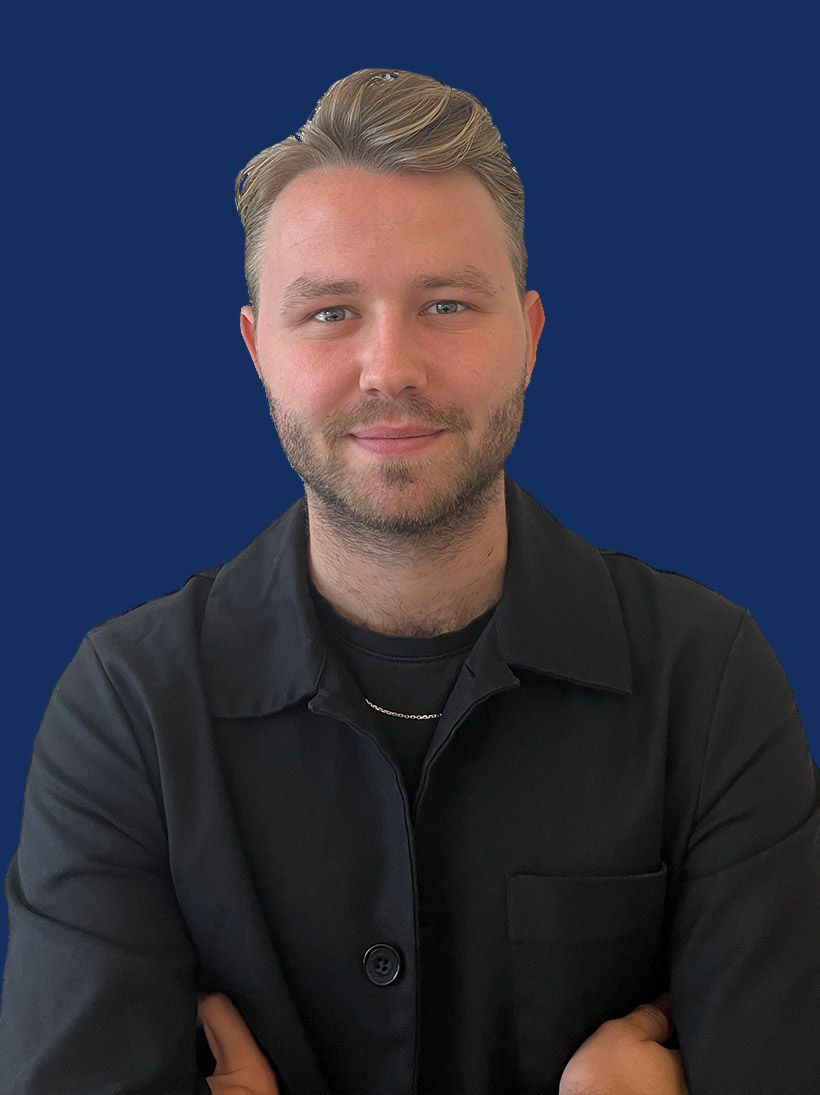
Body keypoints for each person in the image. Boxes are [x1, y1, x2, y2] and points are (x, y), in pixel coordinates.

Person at [1, 67, 818, 1095]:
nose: (389, 366)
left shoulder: (710, 684)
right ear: (259, 350)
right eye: (330, 312)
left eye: (444, 303)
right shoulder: (124, 709)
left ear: (527, 336)